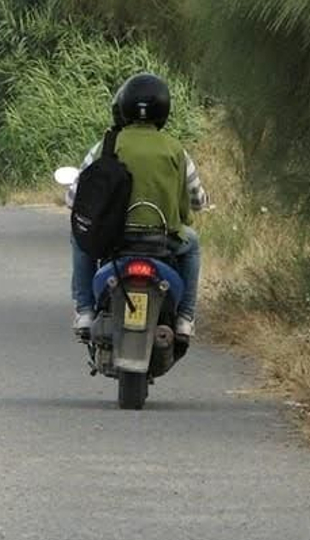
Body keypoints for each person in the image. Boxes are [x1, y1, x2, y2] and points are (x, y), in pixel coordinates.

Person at [68, 72, 207, 343]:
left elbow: (76, 197)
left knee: (79, 237)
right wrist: (199, 203)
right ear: (164, 110)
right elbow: (194, 199)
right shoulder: (176, 149)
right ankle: (185, 318)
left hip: (115, 240)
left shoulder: (107, 145)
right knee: (193, 246)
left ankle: (84, 311)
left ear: (124, 107)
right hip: (163, 241)